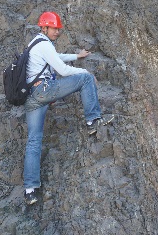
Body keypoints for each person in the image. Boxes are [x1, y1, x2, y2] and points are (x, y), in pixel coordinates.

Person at [23, 11, 113, 205]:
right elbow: (62, 70)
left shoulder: (35, 43)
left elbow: (56, 57)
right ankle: (93, 120)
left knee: (33, 141)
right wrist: (85, 71)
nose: (57, 32)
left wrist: (76, 56)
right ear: (44, 27)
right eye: (54, 28)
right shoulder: (44, 44)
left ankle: (30, 190)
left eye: (58, 29)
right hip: (45, 90)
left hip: (32, 96)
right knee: (85, 79)